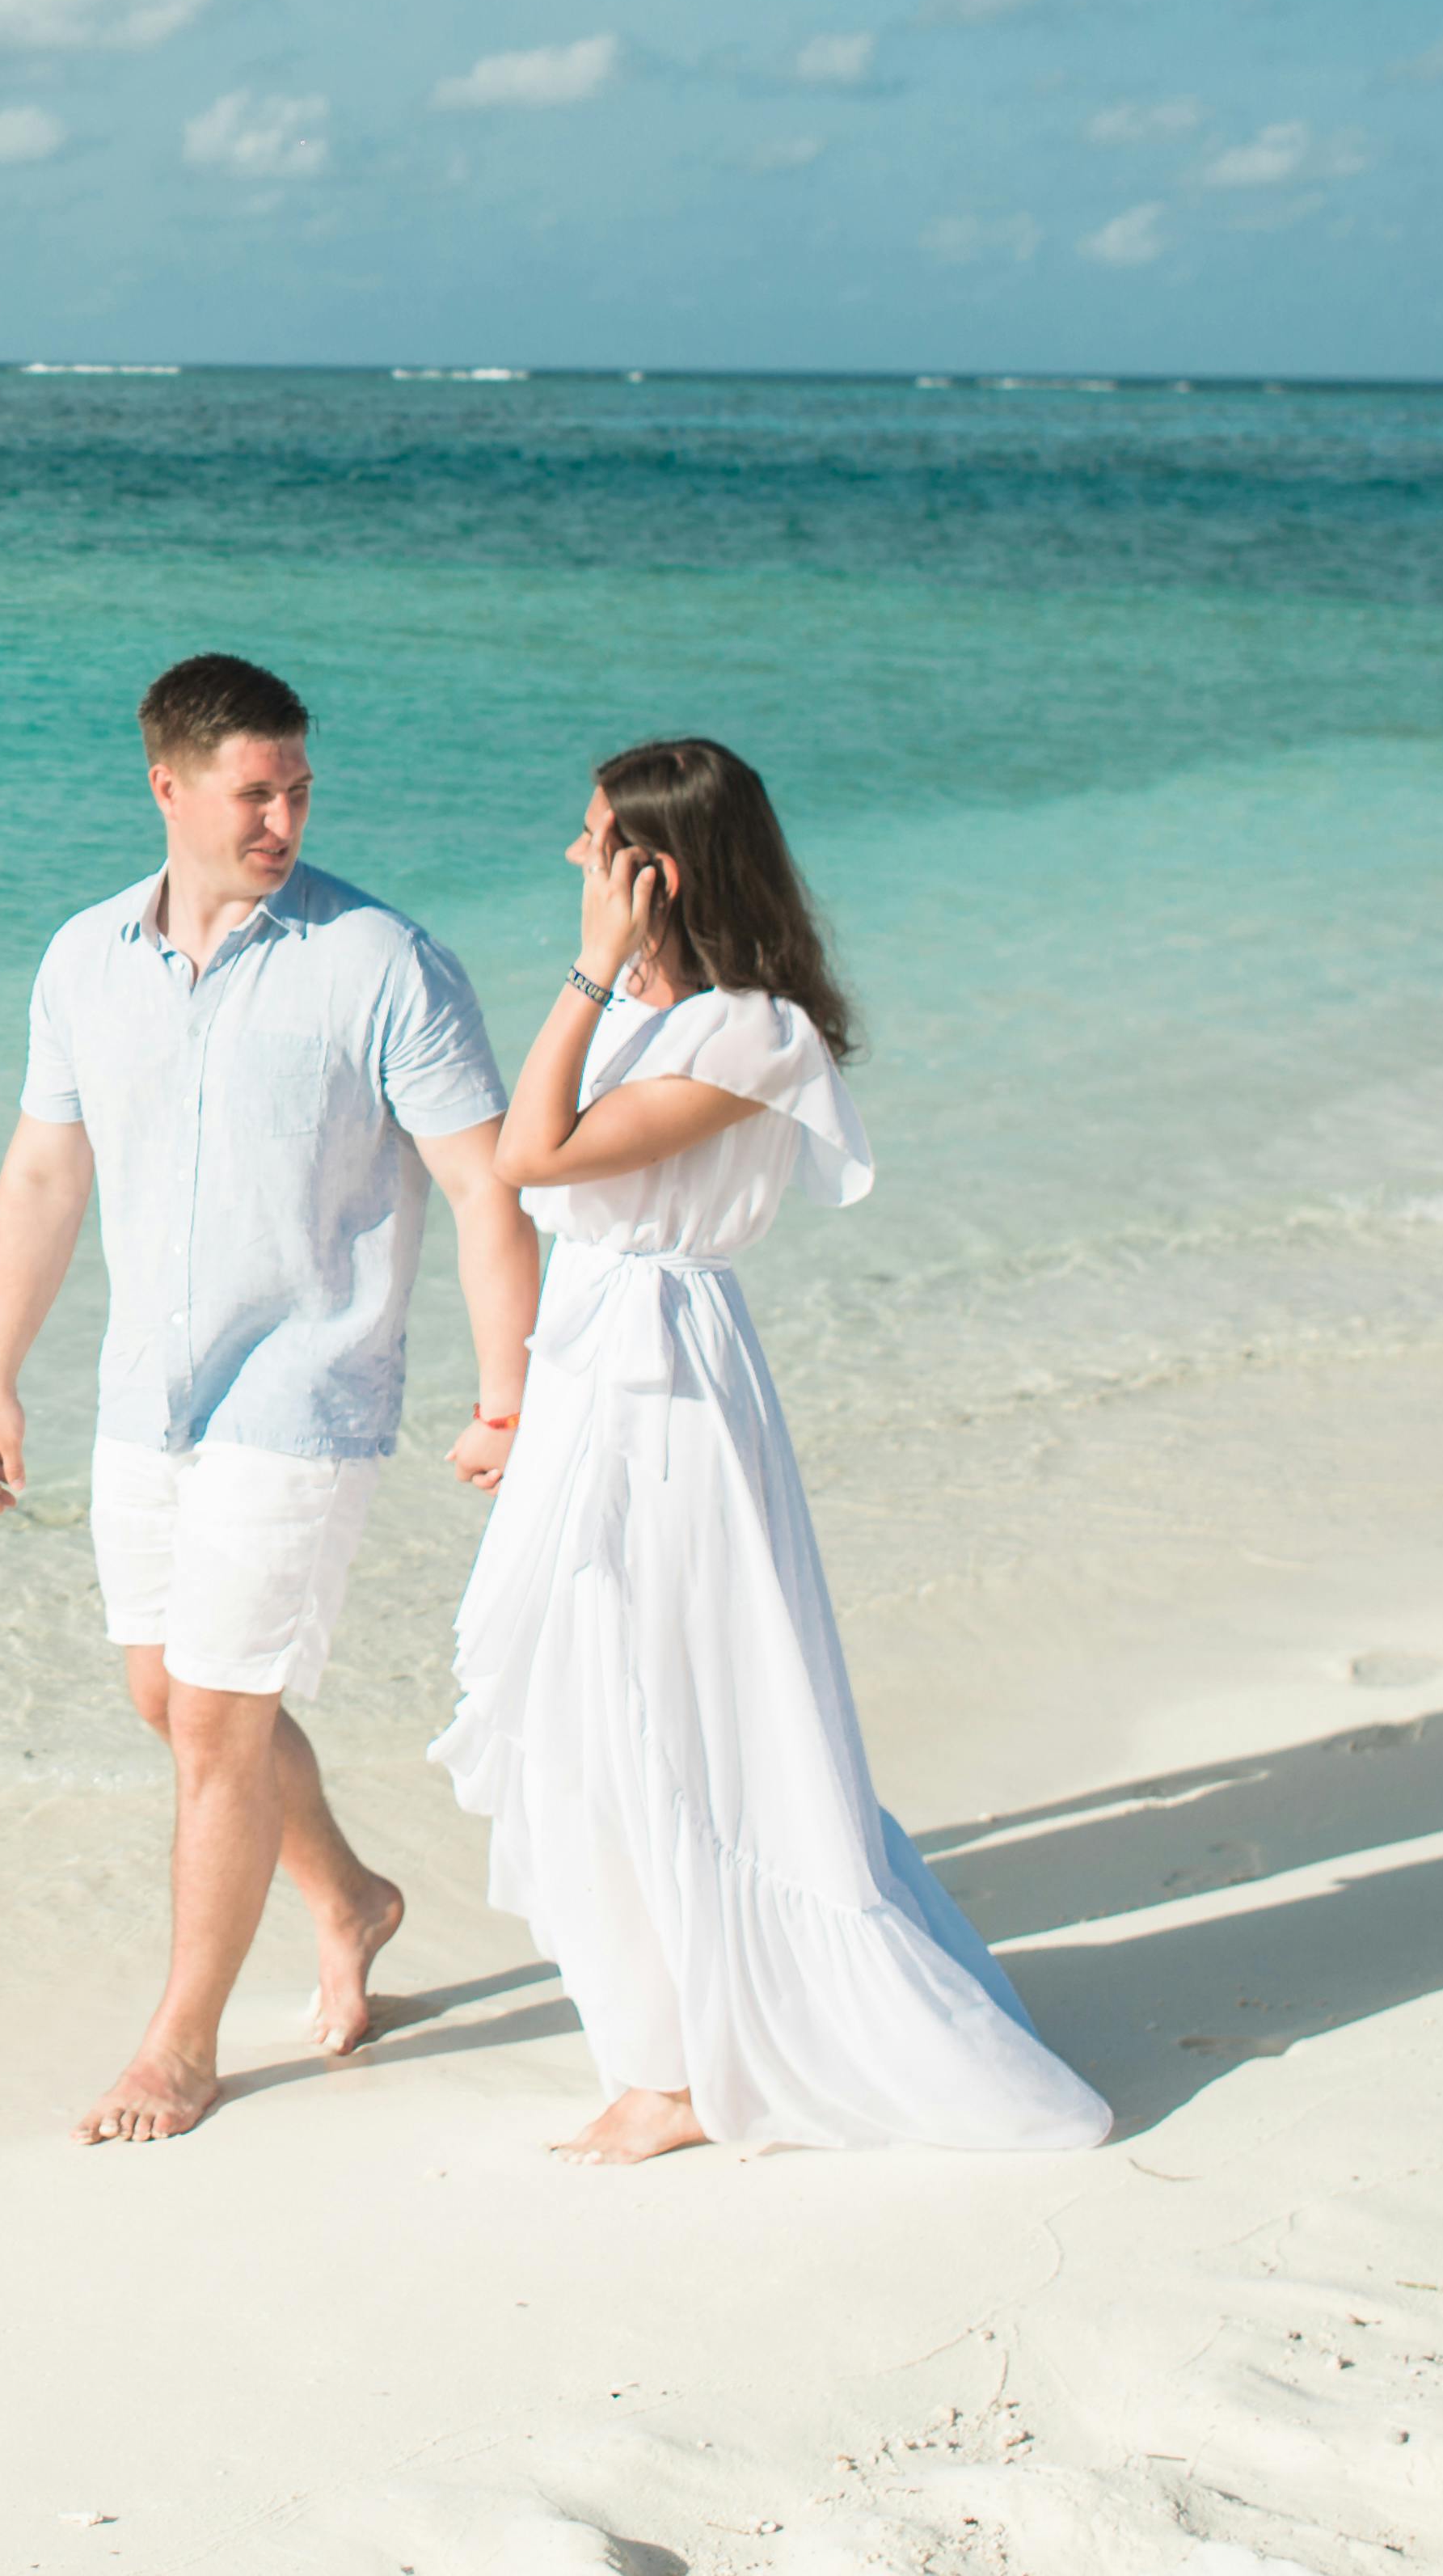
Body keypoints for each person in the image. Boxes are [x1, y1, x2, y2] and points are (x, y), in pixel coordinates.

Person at [432, 737, 1112, 2163]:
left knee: (666, 1704)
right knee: (575, 1708)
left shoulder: (756, 1031)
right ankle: (655, 2049)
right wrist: (519, 1412)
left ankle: (686, 2076)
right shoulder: (638, 1006)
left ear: (653, 868)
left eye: (593, 841)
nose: (572, 860)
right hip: (594, 1373)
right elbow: (545, 1182)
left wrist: (579, 969)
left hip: (670, 1388)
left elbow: (532, 1158)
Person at [0, 652, 541, 2146]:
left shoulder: (381, 963)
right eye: (251, 791)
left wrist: (507, 1392)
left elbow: (484, 1185)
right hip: (144, 1389)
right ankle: (351, 1897)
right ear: (167, 787)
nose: (281, 816)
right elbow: (43, 1171)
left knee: (221, 1720)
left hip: (308, 1386)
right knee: (167, 1699)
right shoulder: (83, 958)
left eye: (297, 787)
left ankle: (178, 2045)